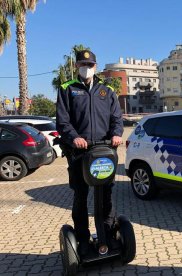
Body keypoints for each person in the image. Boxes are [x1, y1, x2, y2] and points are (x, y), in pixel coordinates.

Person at [56, 49, 123, 256]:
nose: (87, 69)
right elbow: (62, 121)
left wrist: (117, 134)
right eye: (83, 65)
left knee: (106, 195)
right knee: (81, 195)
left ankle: (108, 235)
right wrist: (74, 137)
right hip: (79, 152)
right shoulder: (67, 89)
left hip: (103, 150)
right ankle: (83, 239)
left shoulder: (107, 90)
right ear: (76, 66)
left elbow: (116, 119)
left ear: (96, 66)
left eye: (90, 65)